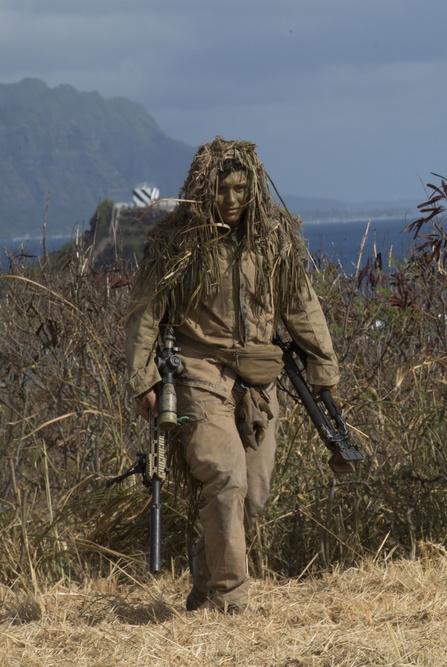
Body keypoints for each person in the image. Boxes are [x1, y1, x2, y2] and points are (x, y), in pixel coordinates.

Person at [123, 137, 343, 613]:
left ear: (254, 189)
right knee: (226, 477)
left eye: (240, 188)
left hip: (260, 379)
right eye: (222, 189)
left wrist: (323, 364)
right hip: (198, 373)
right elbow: (145, 313)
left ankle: (204, 585)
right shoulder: (177, 243)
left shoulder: (274, 240)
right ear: (204, 189)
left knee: (254, 494)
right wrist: (143, 379)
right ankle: (231, 603)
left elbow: (302, 304)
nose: (231, 199)